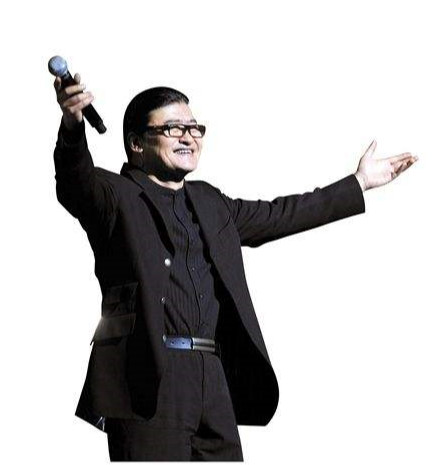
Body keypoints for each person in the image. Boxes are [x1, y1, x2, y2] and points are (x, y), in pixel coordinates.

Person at [52, 73, 417, 461]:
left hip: (213, 373)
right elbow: (75, 181)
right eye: (173, 128)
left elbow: (281, 214)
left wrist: (359, 183)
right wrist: (72, 124)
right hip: (148, 375)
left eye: (194, 128)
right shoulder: (115, 196)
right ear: (137, 143)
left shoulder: (210, 203)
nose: (188, 137)